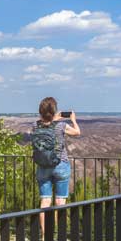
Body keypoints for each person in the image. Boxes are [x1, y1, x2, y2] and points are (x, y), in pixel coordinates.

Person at [31, 96, 81, 233]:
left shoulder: (35, 125)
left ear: (40, 111)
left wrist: (53, 119)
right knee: (60, 202)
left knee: (45, 202)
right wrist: (73, 120)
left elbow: (45, 125)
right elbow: (77, 132)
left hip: (42, 166)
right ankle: (60, 235)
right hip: (61, 165)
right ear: (54, 111)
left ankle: (45, 235)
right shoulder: (61, 125)